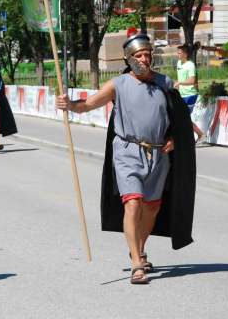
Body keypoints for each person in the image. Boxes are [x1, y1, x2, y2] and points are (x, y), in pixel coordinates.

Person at [56, 33, 196, 285]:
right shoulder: (118, 84)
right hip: (127, 151)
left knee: (151, 207)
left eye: (147, 54)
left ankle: (139, 249)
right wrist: (69, 104)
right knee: (133, 203)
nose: (145, 59)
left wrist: (175, 138)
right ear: (128, 59)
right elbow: (88, 104)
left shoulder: (165, 83)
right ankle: (135, 265)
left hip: (158, 154)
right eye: (139, 56)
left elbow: (180, 119)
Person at [174, 44, 204, 141]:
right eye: (177, 52)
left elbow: (192, 81)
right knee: (182, 117)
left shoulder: (190, 65)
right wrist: (178, 86)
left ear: (185, 54)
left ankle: (198, 134)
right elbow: (180, 78)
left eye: (179, 53)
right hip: (181, 95)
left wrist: (180, 82)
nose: (177, 54)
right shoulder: (178, 63)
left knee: (184, 117)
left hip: (190, 95)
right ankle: (197, 134)